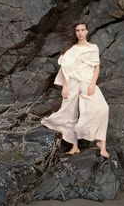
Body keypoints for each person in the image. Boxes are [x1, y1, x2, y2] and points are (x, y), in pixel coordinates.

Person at [41, 22, 110, 158]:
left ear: (87, 31)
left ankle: (102, 144)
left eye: (82, 30)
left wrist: (92, 84)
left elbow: (97, 68)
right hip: (72, 84)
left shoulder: (93, 48)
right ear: (75, 33)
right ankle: (75, 146)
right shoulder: (71, 49)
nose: (80, 32)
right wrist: (65, 87)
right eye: (77, 30)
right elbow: (65, 70)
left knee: (103, 108)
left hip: (86, 83)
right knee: (70, 114)